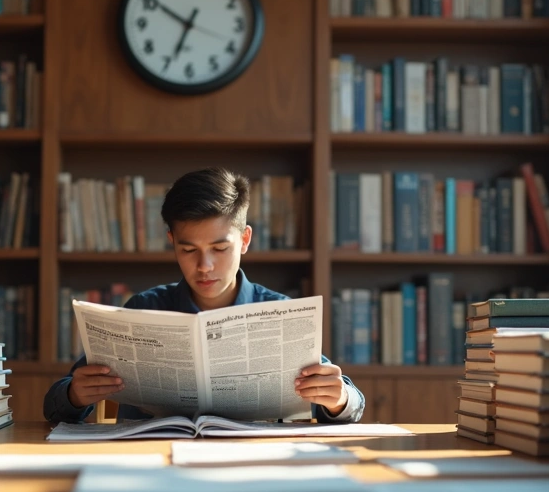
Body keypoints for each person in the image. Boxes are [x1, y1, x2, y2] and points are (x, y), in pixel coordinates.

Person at [43, 167, 365, 424]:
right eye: (188, 250)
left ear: (244, 240)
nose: (204, 266)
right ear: (172, 241)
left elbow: (350, 401)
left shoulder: (280, 312)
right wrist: (75, 395)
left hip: (252, 466)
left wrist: (338, 399)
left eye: (220, 248)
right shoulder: (143, 308)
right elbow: (55, 404)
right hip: (154, 466)